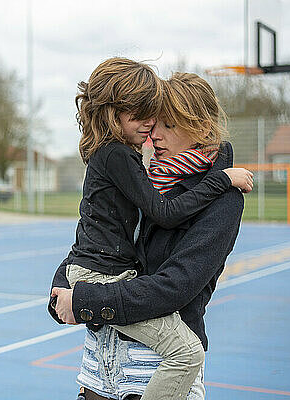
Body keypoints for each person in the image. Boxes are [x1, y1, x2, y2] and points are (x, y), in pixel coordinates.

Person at [48, 59, 252, 400]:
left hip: (152, 371)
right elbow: (94, 240)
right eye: (153, 122)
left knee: (187, 353)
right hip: (100, 366)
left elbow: (175, 286)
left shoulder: (222, 198)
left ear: (200, 127)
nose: (154, 134)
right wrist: (60, 289)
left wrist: (83, 300)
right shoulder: (143, 176)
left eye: (168, 125)